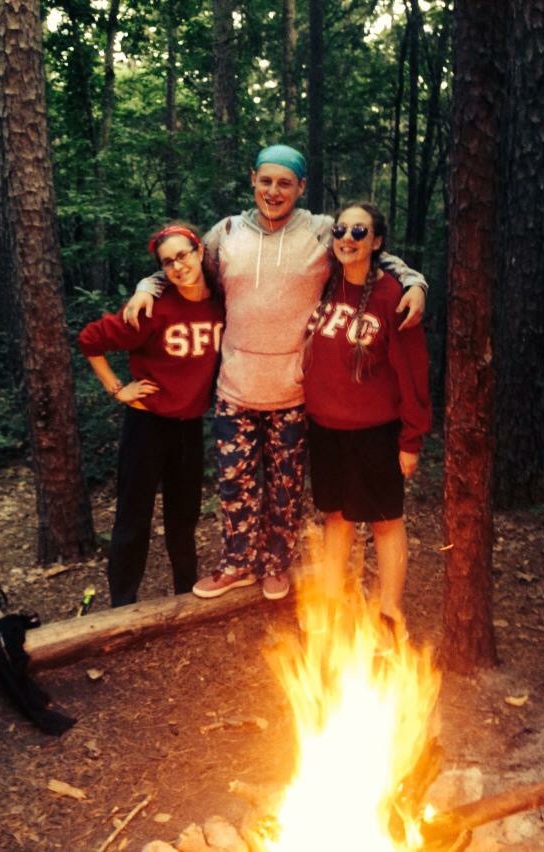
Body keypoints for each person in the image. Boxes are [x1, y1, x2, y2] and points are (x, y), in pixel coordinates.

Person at [123, 144, 427, 602]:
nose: (273, 191)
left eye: (285, 183)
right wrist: (147, 285)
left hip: (292, 391)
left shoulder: (321, 232)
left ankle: (274, 565)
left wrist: (415, 282)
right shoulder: (227, 233)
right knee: (235, 486)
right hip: (235, 387)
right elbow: (184, 267)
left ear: (301, 187)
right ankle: (237, 564)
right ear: (252, 180)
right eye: (265, 181)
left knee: (285, 490)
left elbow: (368, 253)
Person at [78, 223, 224, 607]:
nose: (178, 266)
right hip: (147, 425)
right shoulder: (152, 308)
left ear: (199, 251)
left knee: (184, 519)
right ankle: (122, 604)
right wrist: (117, 389)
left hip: (189, 426)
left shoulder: (220, 304)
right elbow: (90, 340)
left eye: (183, 255)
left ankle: (186, 594)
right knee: (133, 517)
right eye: (167, 262)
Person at [303, 202, 431, 636]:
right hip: (325, 428)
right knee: (336, 517)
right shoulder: (324, 282)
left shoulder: (393, 295)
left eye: (360, 232)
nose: (347, 238)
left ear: (377, 242)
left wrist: (411, 439)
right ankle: (330, 609)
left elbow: (412, 372)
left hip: (375, 431)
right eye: (341, 229)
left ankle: (389, 611)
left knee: (385, 520)